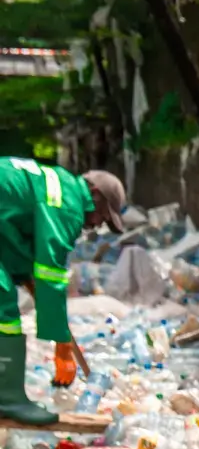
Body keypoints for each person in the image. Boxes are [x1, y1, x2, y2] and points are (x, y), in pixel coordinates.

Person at [0, 160, 129, 423]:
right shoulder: (68, 204)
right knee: (5, 312)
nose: (95, 225)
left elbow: (11, 240)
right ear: (94, 195)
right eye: (102, 216)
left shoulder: (56, 185)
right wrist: (62, 347)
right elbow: (50, 272)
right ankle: (9, 400)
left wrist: (25, 275)